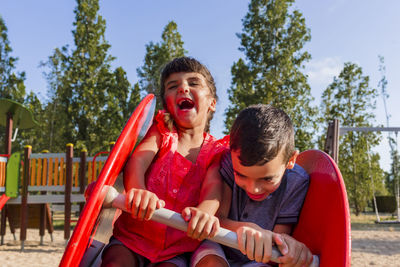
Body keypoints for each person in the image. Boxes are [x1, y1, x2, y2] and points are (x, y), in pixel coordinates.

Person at [101, 57, 226, 267]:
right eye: (173, 86)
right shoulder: (162, 132)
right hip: (132, 238)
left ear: (212, 103)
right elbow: (138, 160)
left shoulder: (216, 150)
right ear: (167, 103)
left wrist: (204, 213)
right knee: (115, 262)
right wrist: (138, 190)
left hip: (177, 248)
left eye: (193, 83)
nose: (183, 88)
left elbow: (214, 187)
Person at [191, 104, 313, 267]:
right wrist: (245, 228)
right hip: (217, 243)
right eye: (241, 175)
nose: (253, 188)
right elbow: (217, 219)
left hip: (258, 257)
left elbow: (278, 239)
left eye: (267, 179)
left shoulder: (296, 182)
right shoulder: (227, 161)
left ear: (290, 160)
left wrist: (290, 246)